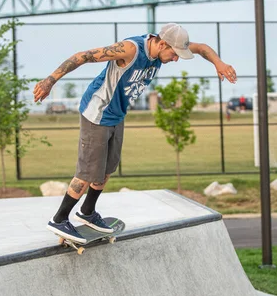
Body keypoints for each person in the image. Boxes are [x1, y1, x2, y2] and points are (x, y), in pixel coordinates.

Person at [33, 23, 237, 243]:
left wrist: (220, 63)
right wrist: (50, 80)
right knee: (87, 173)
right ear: (161, 43)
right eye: (174, 54)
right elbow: (83, 56)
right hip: (97, 112)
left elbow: (202, 47)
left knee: (107, 169)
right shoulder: (130, 50)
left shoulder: (165, 49)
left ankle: (87, 211)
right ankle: (60, 218)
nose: (175, 59)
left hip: (117, 114)